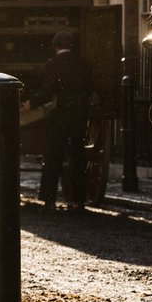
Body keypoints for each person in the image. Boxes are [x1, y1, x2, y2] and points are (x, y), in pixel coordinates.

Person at [30, 30, 94, 212]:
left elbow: (48, 90)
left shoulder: (53, 64)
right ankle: (79, 201)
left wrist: (31, 103)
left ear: (55, 47)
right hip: (80, 114)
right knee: (78, 156)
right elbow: (90, 88)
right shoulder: (83, 64)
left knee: (53, 157)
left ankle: (49, 200)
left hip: (60, 114)